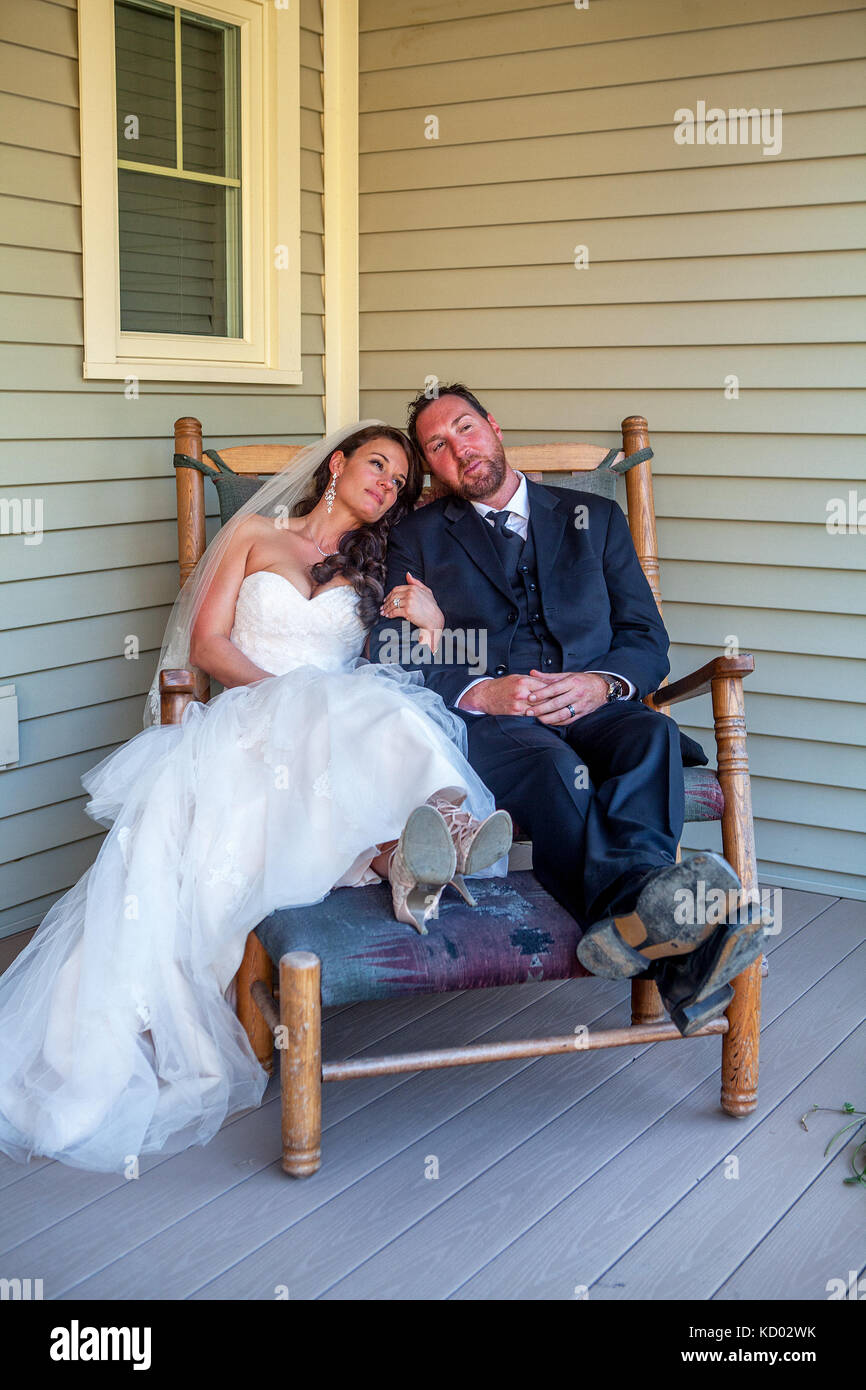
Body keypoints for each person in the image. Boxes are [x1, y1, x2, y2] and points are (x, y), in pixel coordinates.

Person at [0, 422, 511, 1173]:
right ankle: (397, 857)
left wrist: (429, 625)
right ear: (337, 465)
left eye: (400, 482)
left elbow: (408, 671)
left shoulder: (375, 572)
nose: (387, 485)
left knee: (389, 707)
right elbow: (207, 645)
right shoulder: (253, 534)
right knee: (335, 716)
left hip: (333, 731)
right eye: (378, 465)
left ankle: (439, 833)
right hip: (248, 719)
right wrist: (287, 698)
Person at [369, 385, 768, 1037]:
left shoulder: (594, 518)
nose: (458, 449)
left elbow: (645, 637)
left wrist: (602, 683)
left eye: (466, 428)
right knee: (555, 772)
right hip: (495, 718)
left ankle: (638, 926)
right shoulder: (417, 536)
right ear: (431, 467)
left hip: (592, 702)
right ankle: (679, 950)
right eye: (437, 446)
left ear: (494, 428)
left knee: (652, 739)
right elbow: (389, 646)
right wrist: (480, 690)